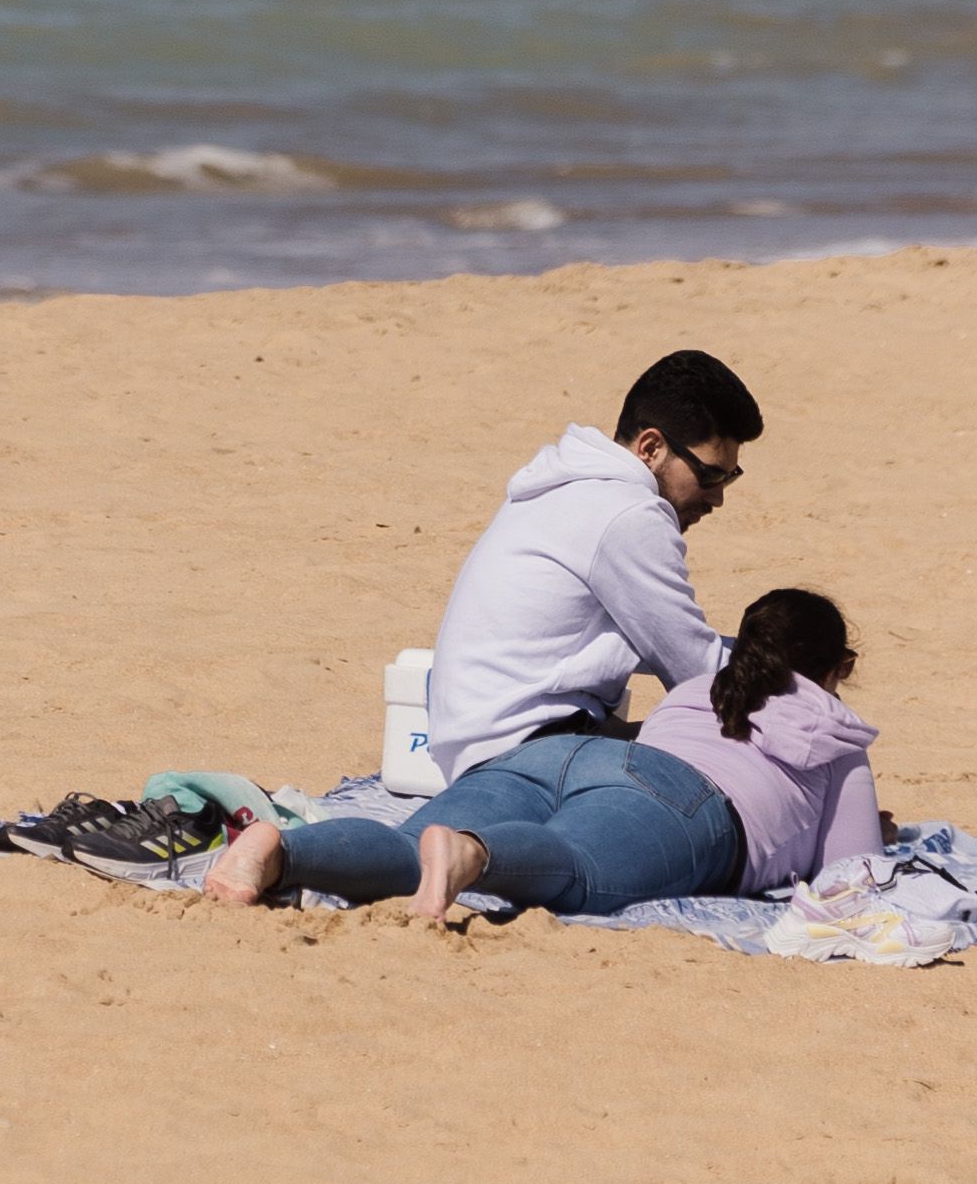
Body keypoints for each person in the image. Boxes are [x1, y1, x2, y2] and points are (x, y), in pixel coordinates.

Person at [208, 586, 882, 923]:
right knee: (578, 868)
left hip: (566, 756)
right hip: (676, 799)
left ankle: (279, 851)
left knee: (406, 846)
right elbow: (852, 873)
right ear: (839, 667)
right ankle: (476, 856)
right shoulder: (835, 730)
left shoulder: (705, 687)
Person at [419, 349, 761, 784]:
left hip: (481, 743)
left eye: (731, 477)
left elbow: (665, 642)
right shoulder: (627, 513)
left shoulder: (567, 482)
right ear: (652, 448)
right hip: (527, 751)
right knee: (747, 750)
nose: (718, 498)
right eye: (711, 476)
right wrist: (802, 683)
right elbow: (698, 672)